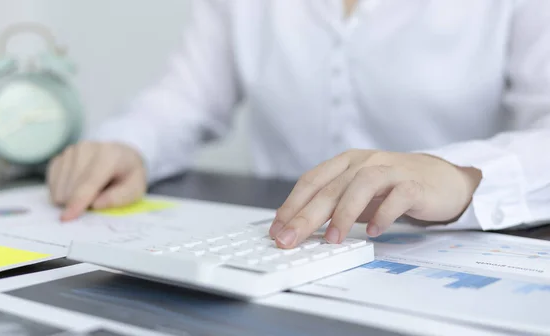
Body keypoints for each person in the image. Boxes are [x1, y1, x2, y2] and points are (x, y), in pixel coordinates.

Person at [47, 0, 550, 249]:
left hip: (439, 253)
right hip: (281, 247)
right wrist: (127, 145)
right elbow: (184, 97)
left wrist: (459, 175)